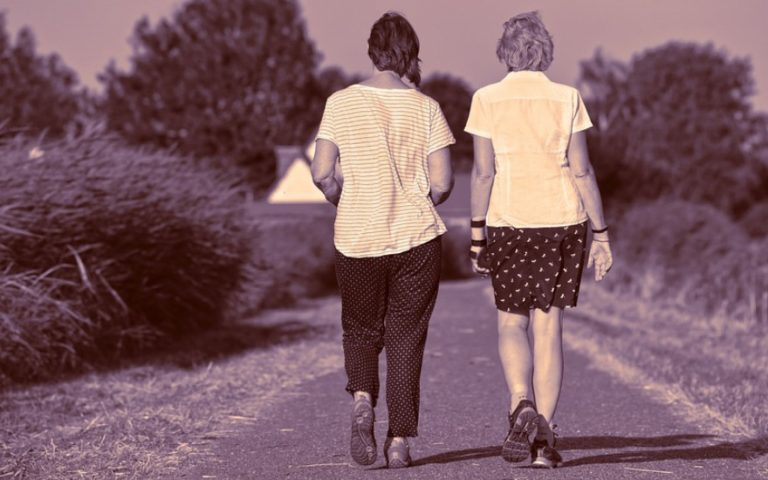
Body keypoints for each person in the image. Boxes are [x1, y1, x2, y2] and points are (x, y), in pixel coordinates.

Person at [465, 11, 613, 469]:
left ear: (505, 52)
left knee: (512, 323)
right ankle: (544, 443)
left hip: (509, 221)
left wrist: (476, 236)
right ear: (545, 50)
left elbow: (483, 173)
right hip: (562, 221)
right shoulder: (568, 98)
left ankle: (520, 402)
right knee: (549, 328)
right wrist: (601, 233)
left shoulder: (486, 99)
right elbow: (582, 171)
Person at [311, 11, 455, 469]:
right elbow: (442, 183)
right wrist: (420, 199)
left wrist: (343, 199)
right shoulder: (427, 108)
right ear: (411, 53)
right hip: (416, 237)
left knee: (360, 327)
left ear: (371, 51)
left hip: (357, 236)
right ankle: (399, 442)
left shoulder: (340, 103)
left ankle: (362, 397)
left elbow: (321, 172)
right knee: (406, 337)